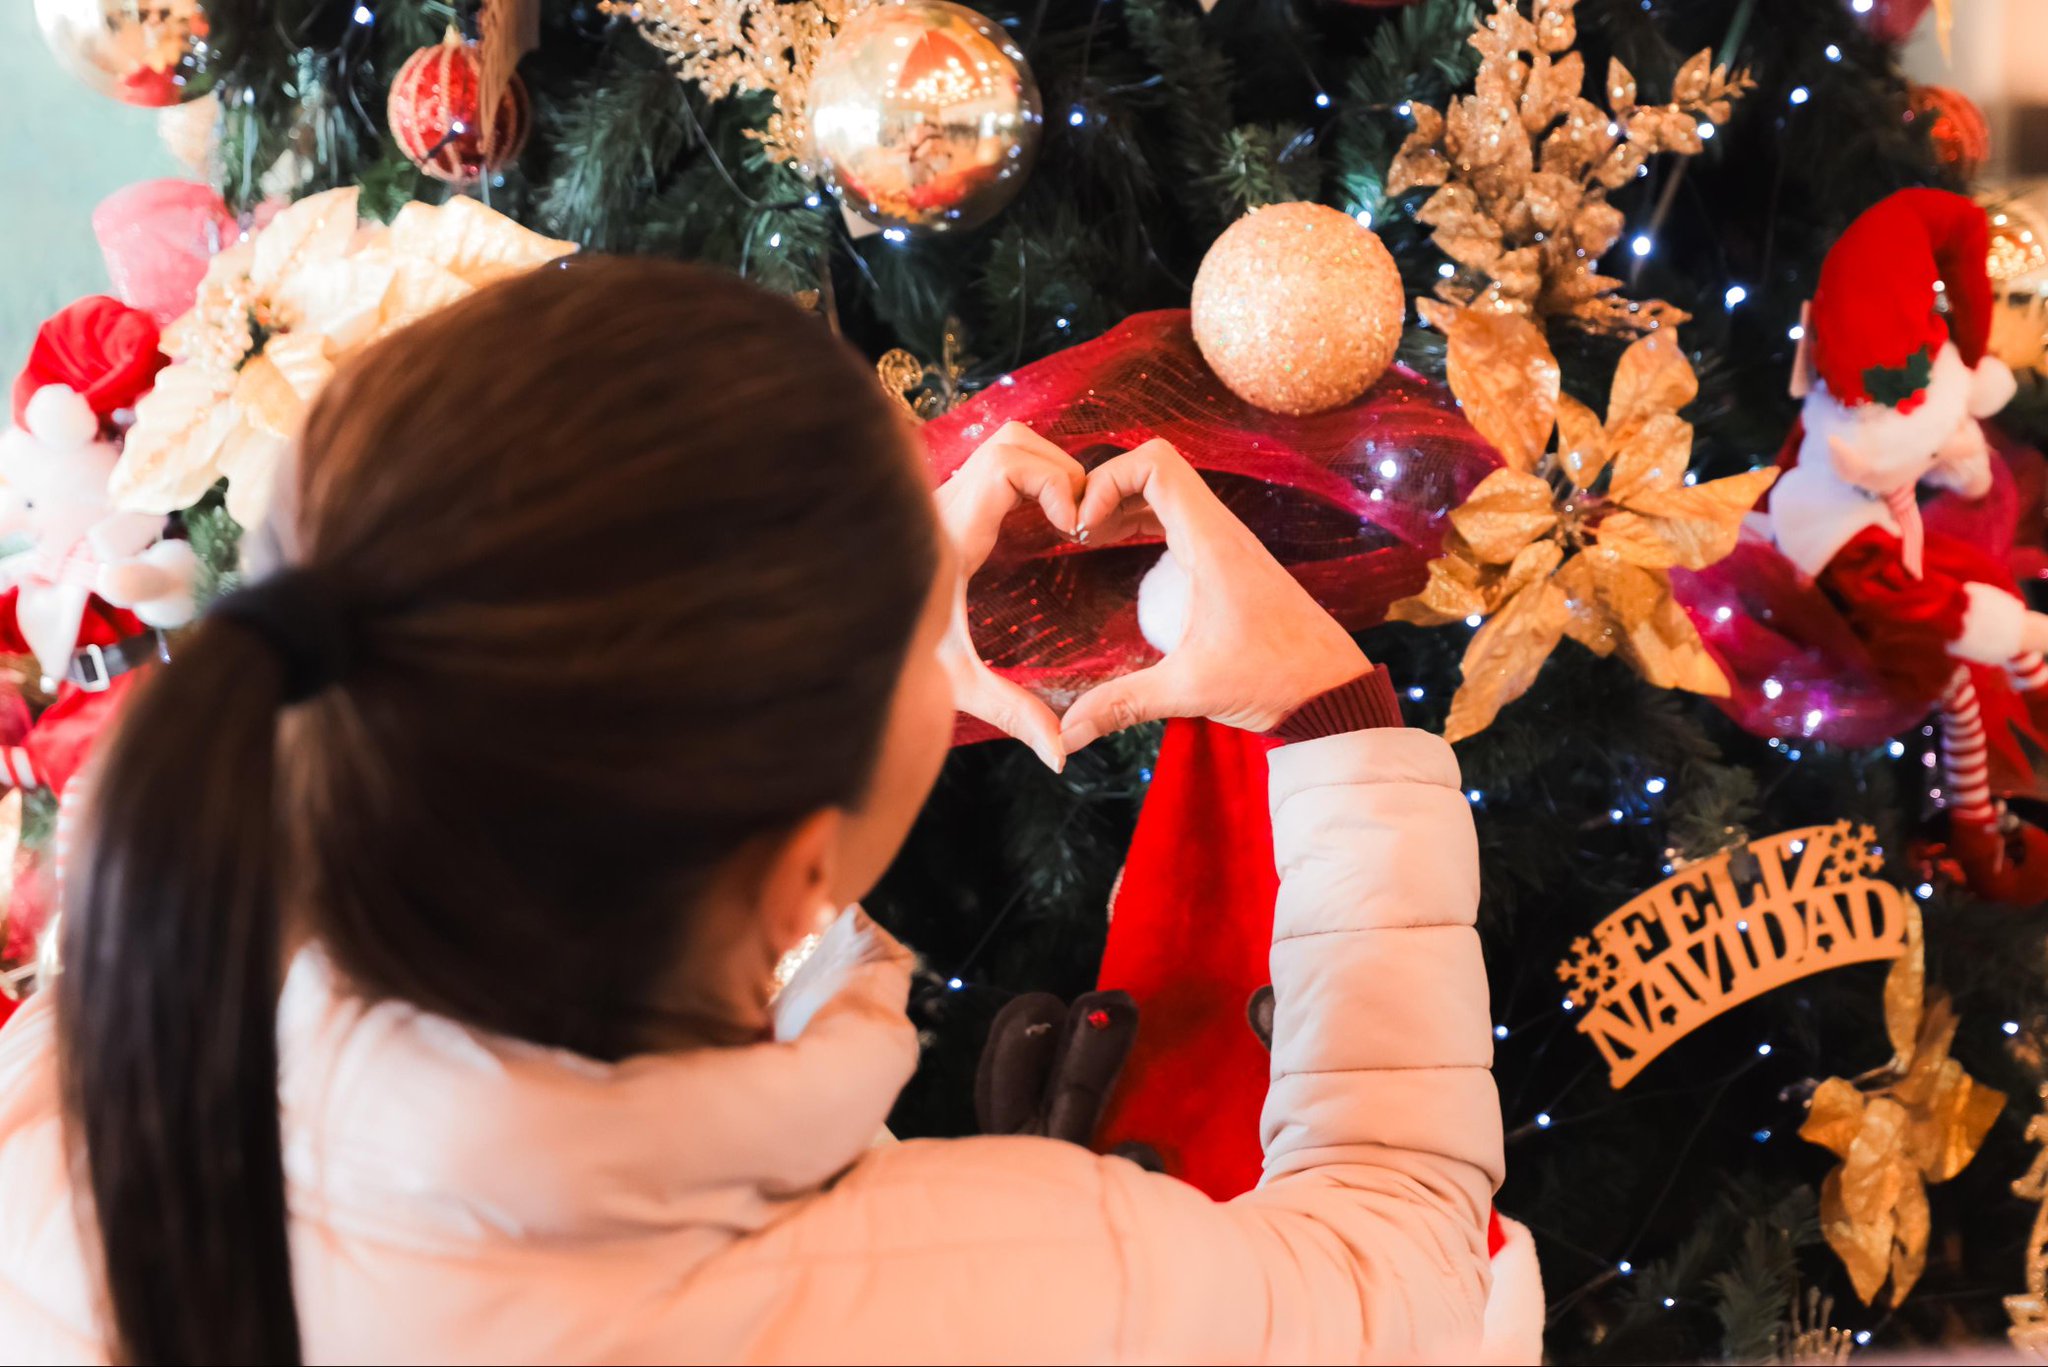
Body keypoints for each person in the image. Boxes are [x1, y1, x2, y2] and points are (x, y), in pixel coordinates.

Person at [0, 257, 1500, 1365]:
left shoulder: (63, 1103)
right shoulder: (994, 1289)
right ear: (797, 882)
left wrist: (804, 661)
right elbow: (1403, 1267)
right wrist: (1336, 722)